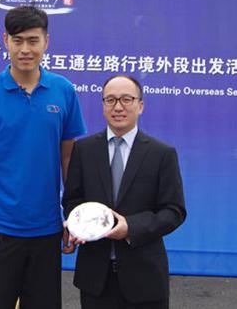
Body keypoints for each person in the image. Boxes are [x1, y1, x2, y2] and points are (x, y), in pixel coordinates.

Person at [0, 5, 86, 309]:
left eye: (33, 40)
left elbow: (69, 160)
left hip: (46, 231)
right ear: (5, 40)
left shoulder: (63, 91)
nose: (25, 49)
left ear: (46, 42)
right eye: (17, 40)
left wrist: (73, 217)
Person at [62, 75, 186, 309]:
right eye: (110, 100)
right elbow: (72, 200)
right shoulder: (84, 150)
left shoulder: (162, 154)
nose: (118, 107)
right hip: (95, 278)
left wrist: (130, 227)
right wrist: (78, 224)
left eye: (126, 99)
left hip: (145, 278)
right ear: (103, 106)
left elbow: (174, 211)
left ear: (140, 105)